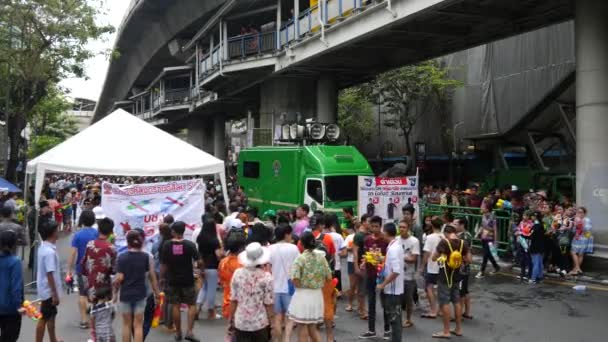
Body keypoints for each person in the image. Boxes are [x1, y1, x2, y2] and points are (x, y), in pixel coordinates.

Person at [114, 230, 160, 342]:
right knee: (138, 325)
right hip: (141, 295)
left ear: (128, 242)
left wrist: (115, 294)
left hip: (125, 295)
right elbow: (152, 277)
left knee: (126, 325)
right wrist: (157, 294)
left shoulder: (121, 257)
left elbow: (119, 278)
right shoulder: (146, 257)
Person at [160, 221, 201, 342]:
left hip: (172, 280)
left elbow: (163, 264)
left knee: (175, 306)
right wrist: (199, 271)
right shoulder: (190, 245)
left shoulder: (167, 245)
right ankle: (189, 332)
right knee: (192, 305)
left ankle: (178, 333)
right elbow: (199, 261)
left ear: (173, 231)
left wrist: (161, 278)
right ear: (183, 231)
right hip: (188, 280)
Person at [287, 232, 332, 342]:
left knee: (302, 326)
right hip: (317, 294)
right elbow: (329, 276)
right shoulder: (321, 257)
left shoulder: (300, 259)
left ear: (301, 244)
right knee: (312, 327)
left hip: (303, 294)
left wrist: (301, 285)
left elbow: (295, 278)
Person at [431, 225, 471, 339]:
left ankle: (446, 331)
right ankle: (458, 329)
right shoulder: (463, 243)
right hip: (457, 276)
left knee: (444, 303)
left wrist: (443, 256)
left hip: (444, 277)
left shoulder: (444, 243)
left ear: (445, 233)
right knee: (456, 301)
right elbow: (468, 260)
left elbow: (434, 258)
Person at [229, 242, 274, 341]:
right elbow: (268, 303)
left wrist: (230, 320)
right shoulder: (266, 277)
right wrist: (272, 323)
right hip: (260, 323)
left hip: (241, 321)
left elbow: (233, 299)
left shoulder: (238, 274)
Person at [67, 209, 99, 329]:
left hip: (81, 268)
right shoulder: (97, 233)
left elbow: (73, 253)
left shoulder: (78, 235)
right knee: (93, 293)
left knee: (82, 293)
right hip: (95, 268)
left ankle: (84, 320)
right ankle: (93, 319)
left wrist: (69, 270)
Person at [358, 216, 389, 339]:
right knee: (371, 302)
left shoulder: (385, 240)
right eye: (372, 226)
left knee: (385, 302)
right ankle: (371, 330)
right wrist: (363, 263)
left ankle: (387, 330)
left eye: (377, 226)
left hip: (383, 275)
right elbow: (365, 256)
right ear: (369, 226)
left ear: (380, 226)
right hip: (370, 275)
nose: (374, 229)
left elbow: (388, 257)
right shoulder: (367, 240)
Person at [268, 223, 299, 342]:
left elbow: (268, 268)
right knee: (290, 317)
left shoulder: (270, 248)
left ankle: (279, 339)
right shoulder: (294, 248)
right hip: (289, 288)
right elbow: (297, 266)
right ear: (286, 234)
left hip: (274, 287)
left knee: (277, 318)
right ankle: (287, 339)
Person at [36, 221, 63, 342]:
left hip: (44, 288)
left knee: (51, 316)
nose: (58, 232)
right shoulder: (49, 252)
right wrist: (54, 294)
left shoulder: (43, 247)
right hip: (48, 291)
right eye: (57, 230)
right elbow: (50, 274)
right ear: (52, 233)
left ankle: (53, 339)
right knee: (44, 318)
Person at [377, 223, 404, 342]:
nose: (381, 233)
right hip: (394, 289)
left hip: (392, 290)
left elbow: (396, 271)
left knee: (394, 319)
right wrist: (383, 259)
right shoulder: (394, 245)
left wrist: (383, 284)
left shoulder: (393, 248)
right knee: (394, 319)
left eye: (383, 231)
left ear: (387, 233)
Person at [80, 217, 117, 302]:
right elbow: (114, 270)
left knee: (93, 310)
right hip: (105, 287)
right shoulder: (112, 248)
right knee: (104, 310)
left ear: (98, 230)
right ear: (111, 232)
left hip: (91, 284)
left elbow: (83, 263)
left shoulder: (90, 244)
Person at [196, 219, 222, 320]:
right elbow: (218, 255)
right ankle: (211, 312)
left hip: (203, 266)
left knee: (204, 288)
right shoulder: (214, 241)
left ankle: (198, 307)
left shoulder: (200, 238)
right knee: (211, 289)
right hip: (212, 267)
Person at [0, 230, 23, 342]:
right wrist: (18, 306)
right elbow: (16, 287)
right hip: (10, 309)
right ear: (14, 244)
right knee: (9, 338)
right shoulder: (15, 262)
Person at [397, 220, 420, 328]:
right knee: (397, 298)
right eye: (400, 227)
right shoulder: (396, 240)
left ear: (408, 228)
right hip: (397, 274)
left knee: (408, 298)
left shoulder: (414, 241)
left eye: (404, 227)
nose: (401, 229)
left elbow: (413, 259)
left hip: (409, 275)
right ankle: (398, 318)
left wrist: (401, 257)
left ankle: (408, 319)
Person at [218, 232, 245, 321]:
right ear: (241, 247)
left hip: (227, 301)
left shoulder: (223, 262)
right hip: (241, 303)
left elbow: (221, 281)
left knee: (231, 330)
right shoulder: (242, 263)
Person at [420, 217, 443, 319]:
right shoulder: (444, 237)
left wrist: (422, 266)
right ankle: (441, 309)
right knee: (442, 288)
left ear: (432, 225)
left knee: (429, 288)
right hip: (442, 266)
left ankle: (433, 310)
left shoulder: (430, 238)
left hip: (432, 267)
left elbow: (426, 253)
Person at [453, 218, 473, 320]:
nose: (454, 225)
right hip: (463, 267)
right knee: (465, 291)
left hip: (462, 268)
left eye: (456, 224)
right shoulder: (463, 235)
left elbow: (463, 253)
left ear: (462, 225)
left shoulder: (464, 237)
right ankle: (467, 312)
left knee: (460, 292)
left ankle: (459, 314)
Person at [352, 214, 370, 320]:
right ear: (363, 222)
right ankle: (363, 311)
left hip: (368, 263)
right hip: (361, 264)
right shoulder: (359, 235)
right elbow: (355, 252)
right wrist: (356, 266)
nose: (370, 223)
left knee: (362, 288)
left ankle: (360, 307)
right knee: (362, 288)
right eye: (368, 221)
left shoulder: (369, 234)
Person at [476, 202, 500, 278]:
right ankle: (496, 266)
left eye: (483, 207)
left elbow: (495, 229)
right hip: (483, 237)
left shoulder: (493, 216)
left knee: (486, 254)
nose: (482, 208)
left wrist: (496, 240)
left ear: (487, 209)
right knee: (487, 254)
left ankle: (481, 271)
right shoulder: (483, 215)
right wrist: (477, 233)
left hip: (490, 238)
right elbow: (482, 226)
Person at [27, 200, 53, 270]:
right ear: (42, 207)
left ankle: (40, 263)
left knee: (43, 249)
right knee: (34, 248)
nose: (48, 208)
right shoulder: (33, 214)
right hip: (35, 234)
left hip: (43, 234)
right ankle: (32, 264)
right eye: (46, 207)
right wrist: (41, 216)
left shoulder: (47, 213)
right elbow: (32, 227)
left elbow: (49, 222)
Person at [570, 207, 593, 275]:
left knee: (580, 254)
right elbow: (573, 230)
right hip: (576, 238)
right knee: (573, 252)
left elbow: (587, 229)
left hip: (584, 238)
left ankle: (576, 269)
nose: (579, 214)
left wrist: (581, 224)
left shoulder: (587, 220)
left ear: (584, 213)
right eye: (578, 212)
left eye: (581, 212)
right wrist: (575, 225)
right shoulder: (576, 219)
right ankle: (577, 269)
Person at [529, 211, 545, 284]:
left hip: (535, 246)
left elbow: (530, 236)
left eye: (532, 216)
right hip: (541, 246)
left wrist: (521, 234)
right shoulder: (541, 225)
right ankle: (540, 277)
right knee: (540, 263)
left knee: (535, 263)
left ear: (535, 217)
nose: (531, 217)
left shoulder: (535, 226)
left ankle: (533, 278)